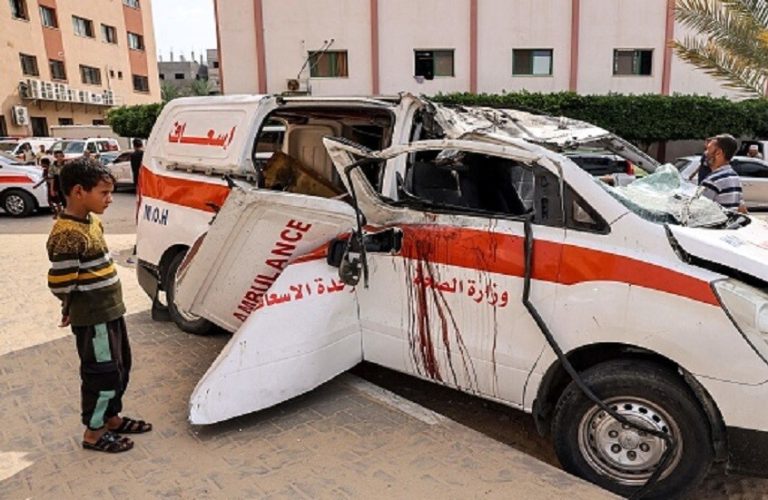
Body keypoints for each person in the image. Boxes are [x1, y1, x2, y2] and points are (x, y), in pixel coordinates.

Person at [46, 158, 152, 453]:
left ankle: (112, 419)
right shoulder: (67, 234)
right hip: (94, 319)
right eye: (104, 193)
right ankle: (94, 432)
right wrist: (70, 308)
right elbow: (61, 282)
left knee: (119, 366)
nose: (110, 199)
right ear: (79, 192)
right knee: (102, 373)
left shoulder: (92, 222)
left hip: (111, 312)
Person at [701, 134, 746, 213]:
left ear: (718, 153)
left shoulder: (712, 181)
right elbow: (741, 208)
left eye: (708, 149)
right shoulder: (735, 177)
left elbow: (699, 211)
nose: (705, 153)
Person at [48, 150, 67, 216]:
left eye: (61, 156)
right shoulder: (52, 166)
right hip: (57, 184)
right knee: (59, 199)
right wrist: (52, 189)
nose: (59, 158)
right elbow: (52, 178)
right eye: (57, 156)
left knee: (66, 199)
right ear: (55, 157)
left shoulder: (66, 165)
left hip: (65, 183)